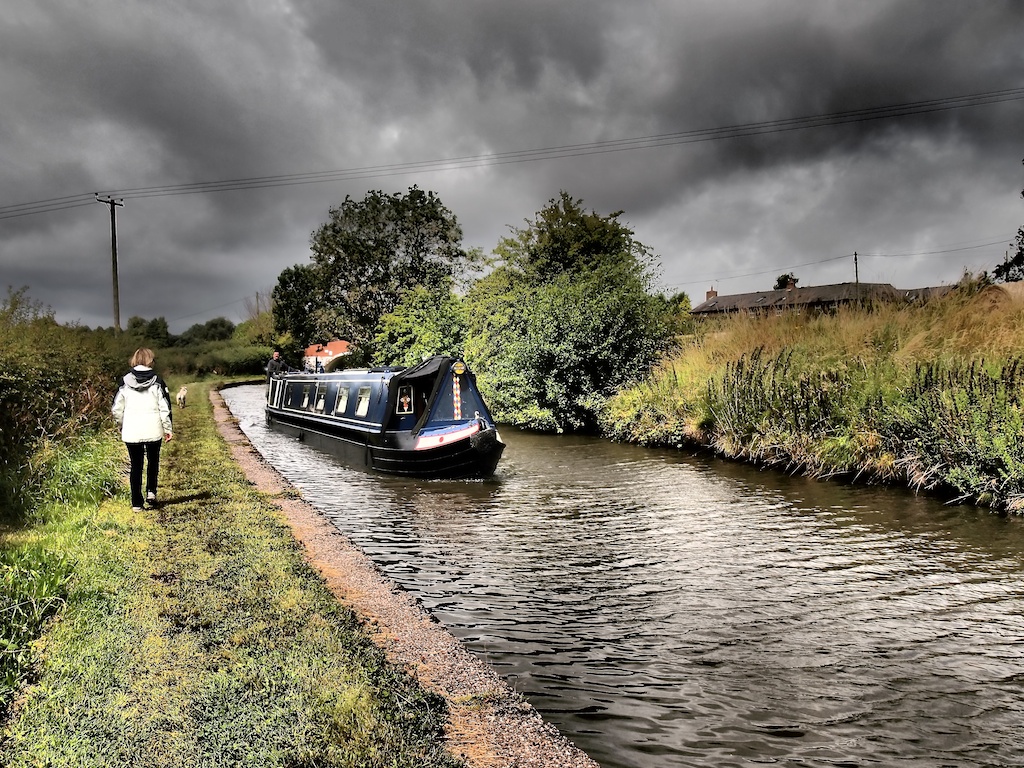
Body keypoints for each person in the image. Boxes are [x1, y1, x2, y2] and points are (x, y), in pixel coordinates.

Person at [112, 348, 173, 511]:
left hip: (132, 430)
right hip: (153, 429)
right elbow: (164, 408)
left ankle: (136, 503)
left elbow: (117, 409)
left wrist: (120, 425)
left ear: (134, 360)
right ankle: (151, 492)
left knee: (136, 465)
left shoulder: (124, 382)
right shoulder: (158, 381)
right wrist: (168, 428)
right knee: (153, 461)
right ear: (150, 361)